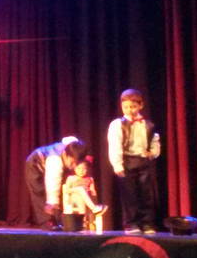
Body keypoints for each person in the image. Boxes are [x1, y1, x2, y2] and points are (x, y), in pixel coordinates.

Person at [107, 88, 161, 234]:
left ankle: (147, 223)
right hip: (127, 161)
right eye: (126, 107)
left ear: (141, 105)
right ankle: (131, 224)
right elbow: (115, 145)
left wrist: (152, 153)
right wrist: (117, 165)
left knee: (146, 194)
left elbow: (155, 141)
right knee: (130, 195)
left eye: (133, 106)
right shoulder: (118, 124)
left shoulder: (148, 124)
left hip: (143, 161)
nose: (129, 110)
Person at [25, 136, 87, 230]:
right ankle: (47, 222)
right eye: (72, 163)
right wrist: (52, 202)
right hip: (35, 165)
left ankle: (60, 220)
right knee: (40, 192)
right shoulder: (55, 160)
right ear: (65, 154)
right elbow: (52, 182)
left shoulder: (72, 148)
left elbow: (70, 141)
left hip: (49, 166)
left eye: (76, 163)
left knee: (62, 191)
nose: (74, 166)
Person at [62, 156, 108, 233]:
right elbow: (66, 190)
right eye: (79, 168)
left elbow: (93, 192)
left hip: (86, 200)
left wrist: (91, 194)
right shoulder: (71, 178)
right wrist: (78, 190)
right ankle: (94, 209)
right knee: (80, 190)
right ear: (75, 169)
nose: (81, 171)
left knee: (84, 194)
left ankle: (88, 223)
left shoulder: (90, 179)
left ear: (87, 169)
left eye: (84, 169)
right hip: (73, 198)